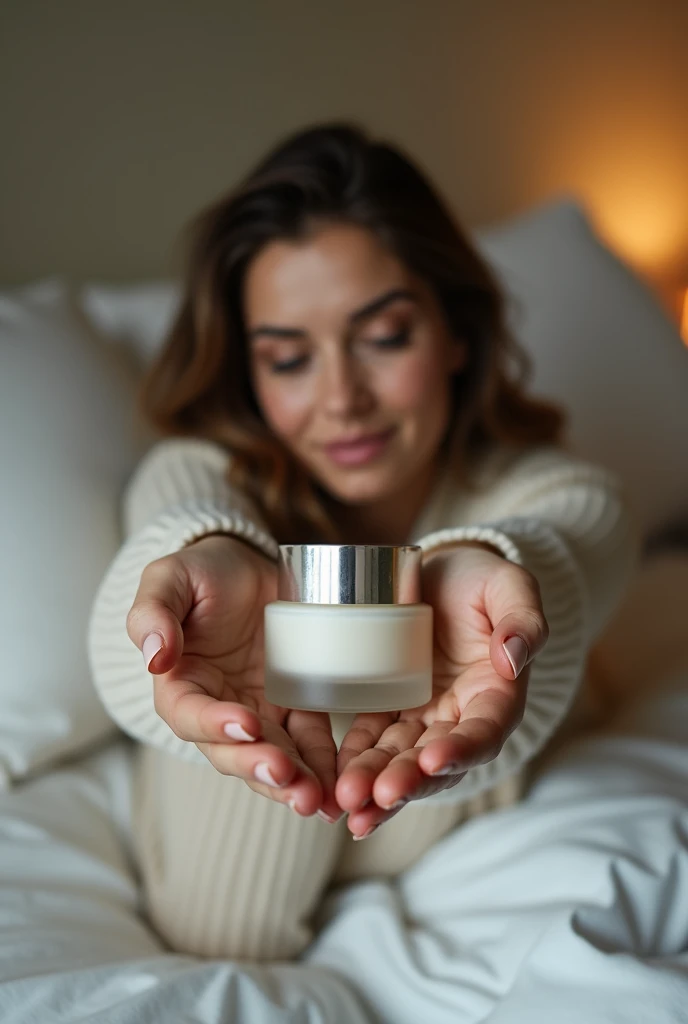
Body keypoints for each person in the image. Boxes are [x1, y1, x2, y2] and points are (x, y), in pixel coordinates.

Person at [88, 123, 636, 962]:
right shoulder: (197, 478)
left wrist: (485, 581)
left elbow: (572, 540)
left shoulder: (552, 491)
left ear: (455, 332)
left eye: (384, 338)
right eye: (287, 358)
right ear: (246, 372)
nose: (341, 398)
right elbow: (221, 930)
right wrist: (199, 606)